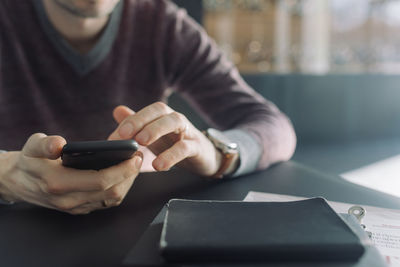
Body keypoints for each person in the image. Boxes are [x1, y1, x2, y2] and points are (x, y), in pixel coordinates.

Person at [0, 0, 296, 214]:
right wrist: (8, 176)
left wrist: (219, 153)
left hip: (138, 225)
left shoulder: (163, 25)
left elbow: (273, 125)